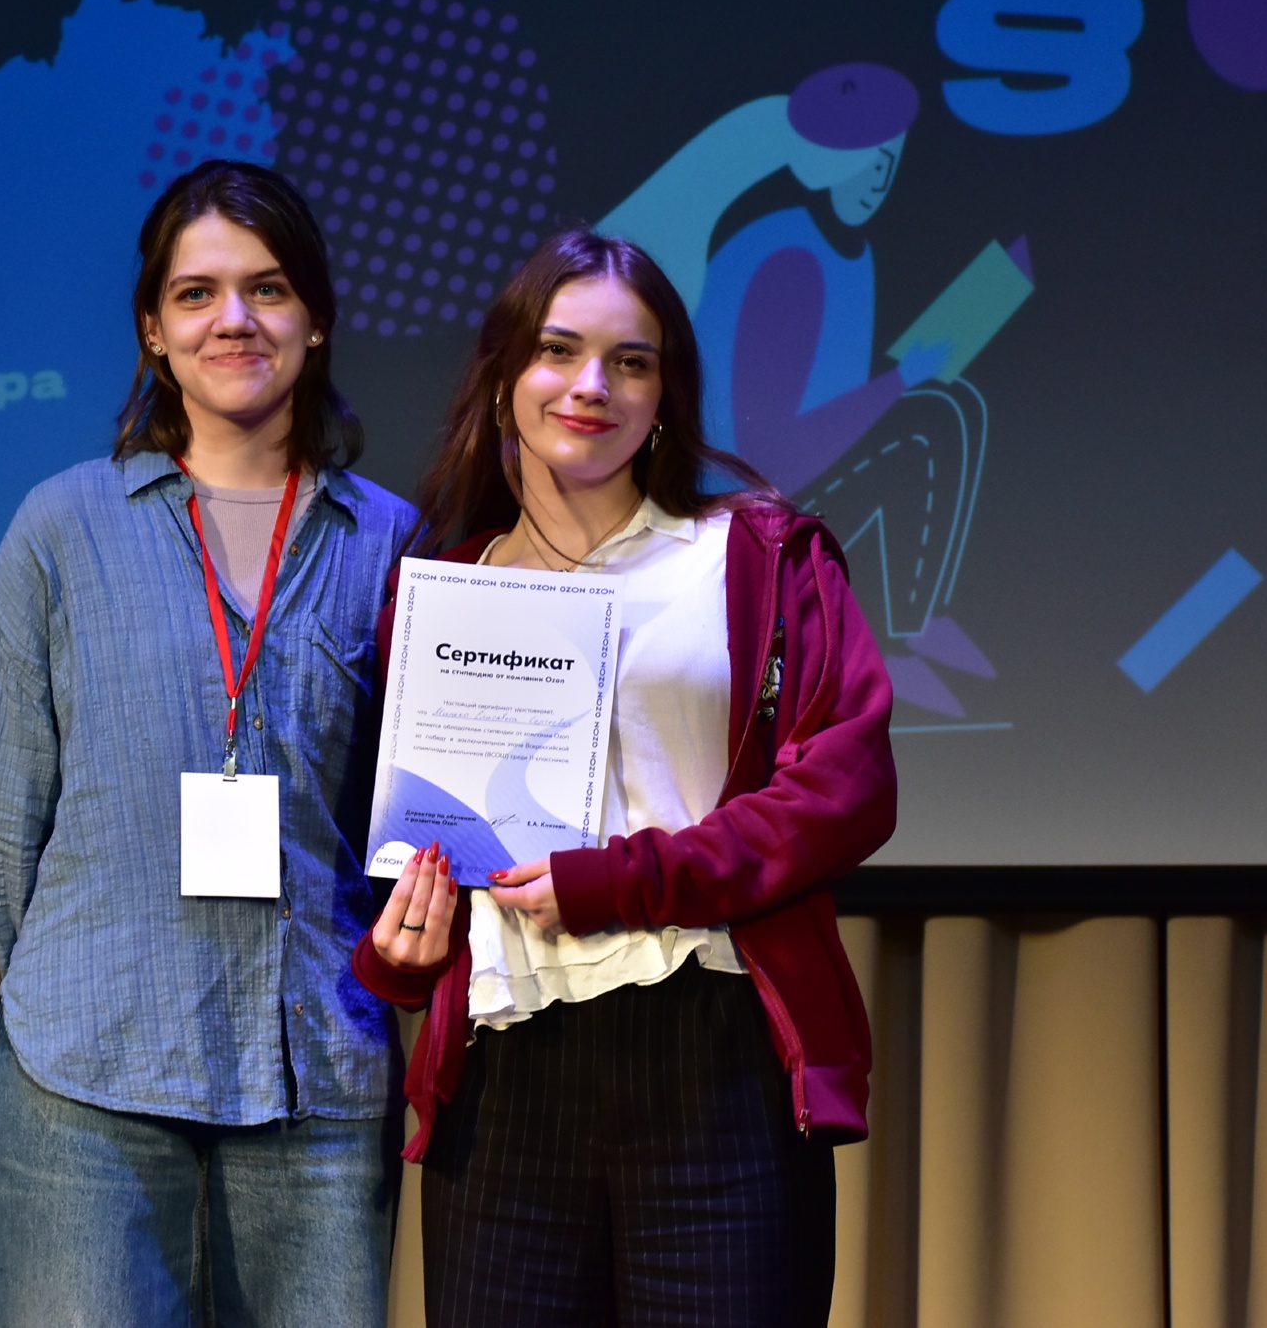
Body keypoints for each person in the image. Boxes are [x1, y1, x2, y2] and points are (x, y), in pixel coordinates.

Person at [352, 229, 897, 1326]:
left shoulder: (754, 558)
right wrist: (400, 950)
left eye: (629, 361)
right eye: (557, 350)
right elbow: (413, 855)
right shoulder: (442, 589)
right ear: (504, 377)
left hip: (714, 1057)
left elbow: (845, 789)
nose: (590, 385)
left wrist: (617, 881)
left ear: (664, 396)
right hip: (503, 1078)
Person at [0, 159, 417, 1327]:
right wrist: (97, 968)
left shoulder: (391, 544)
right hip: (84, 1078)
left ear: (315, 319)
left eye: (267, 288)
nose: (233, 319)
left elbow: (405, 826)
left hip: (313, 1076)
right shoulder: (62, 526)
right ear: (153, 330)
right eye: (196, 293)